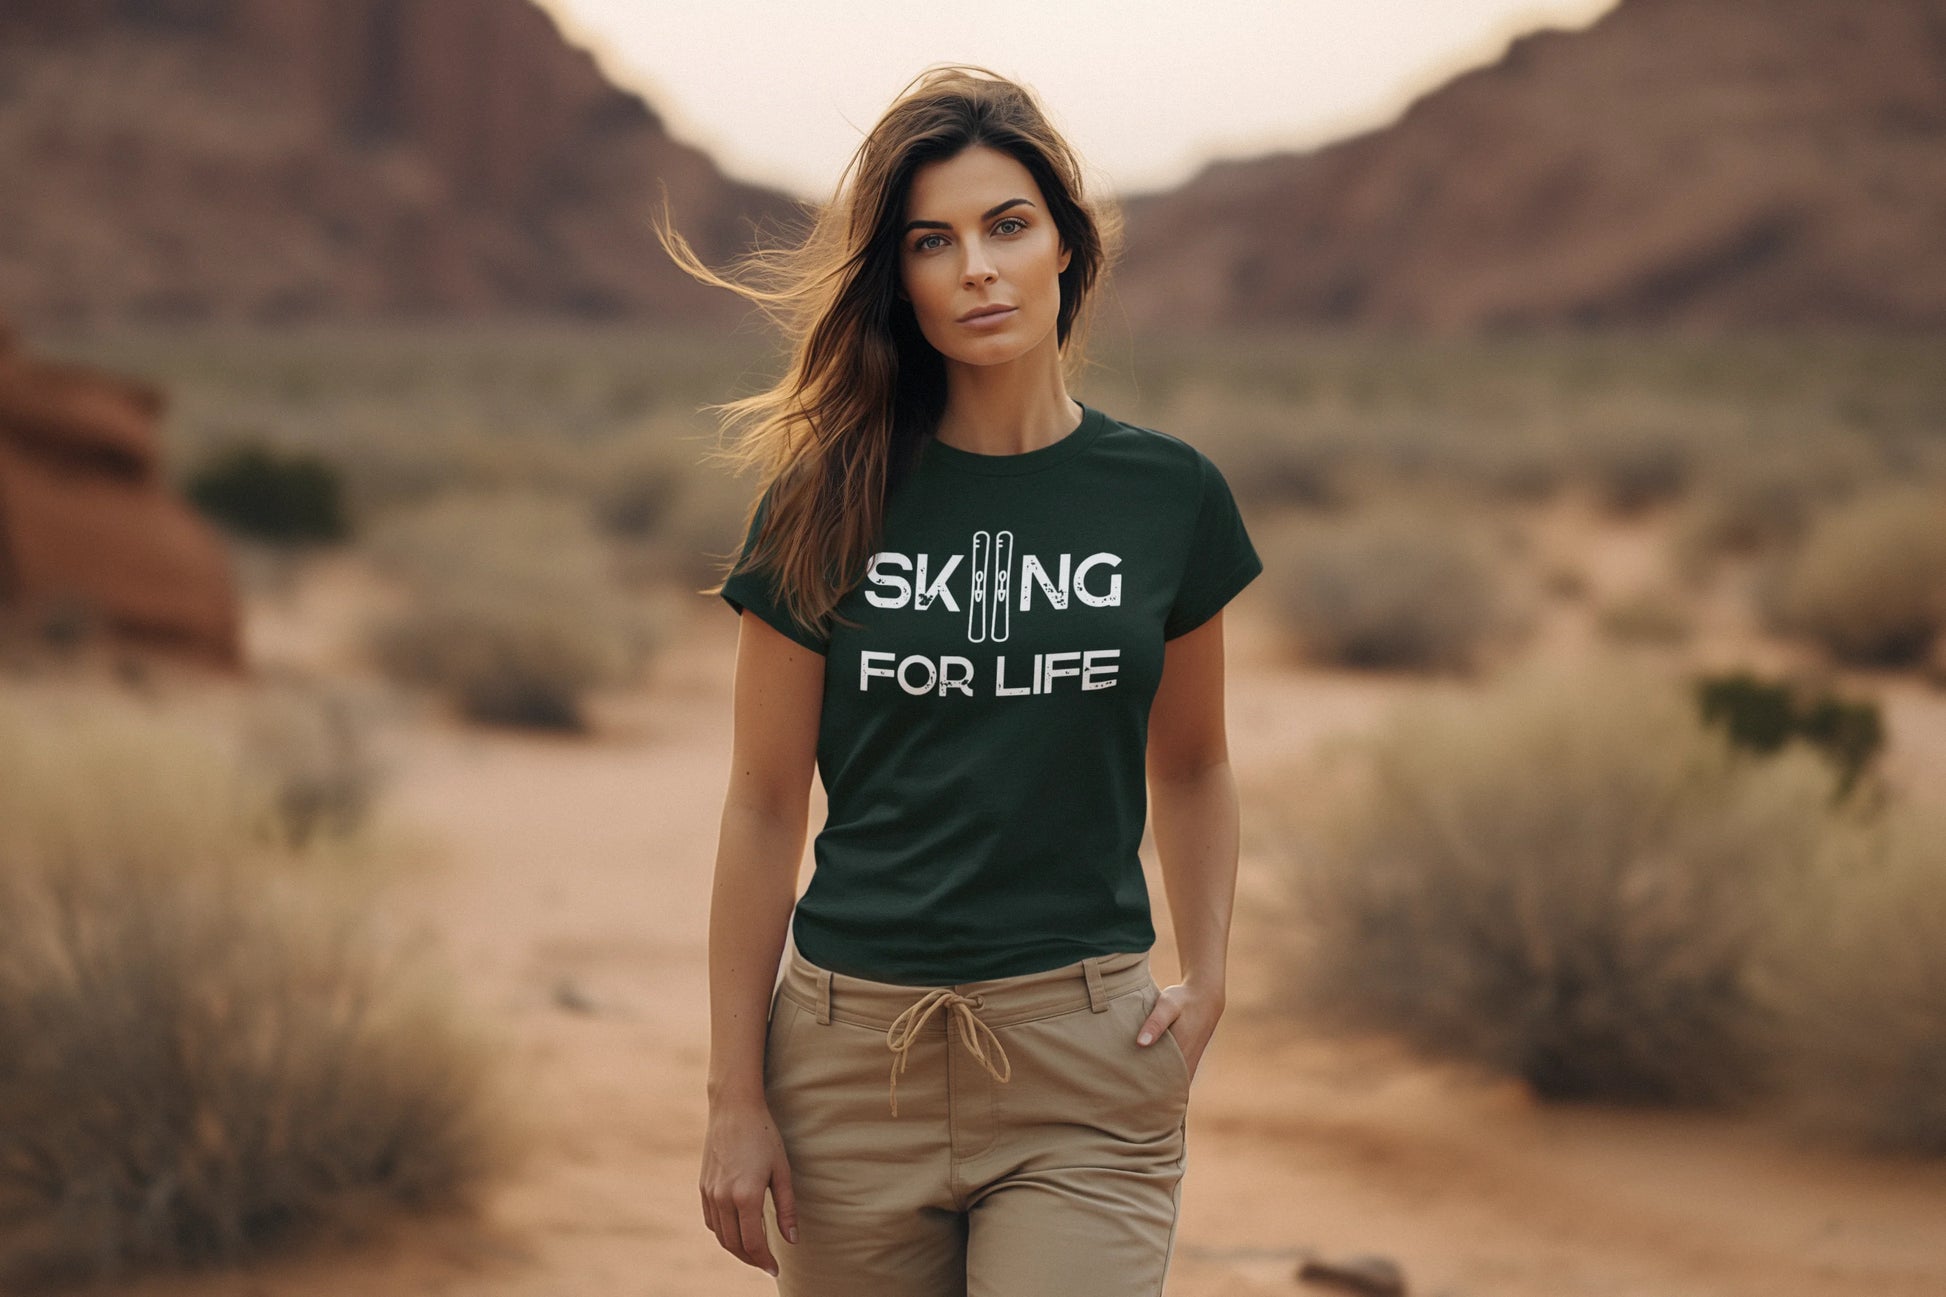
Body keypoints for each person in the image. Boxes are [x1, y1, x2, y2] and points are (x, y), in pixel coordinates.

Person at [657, 63, 1262, 1296]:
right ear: (904, 284)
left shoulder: (1166, 494)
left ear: (1063, 250)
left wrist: (1206, 976)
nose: (976, 266)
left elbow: (1192, 761)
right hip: (845, 1067)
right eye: (933, 242)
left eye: (1007, 225)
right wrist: (733, 1092)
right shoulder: (823, 502)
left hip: (1081, 1066)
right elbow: (763, 804)